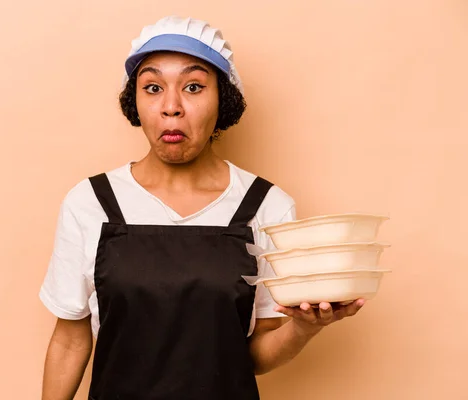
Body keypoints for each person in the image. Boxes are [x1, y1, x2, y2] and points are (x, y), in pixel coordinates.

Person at [39, 15, 365, 400]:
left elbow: (253, 357)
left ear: (222, 99)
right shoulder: (91, 202)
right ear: (135, 102)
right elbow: (70, 341)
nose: (172, 107)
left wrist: (304, 327)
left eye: (193, 87)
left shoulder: (267, 206)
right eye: (153, 87)